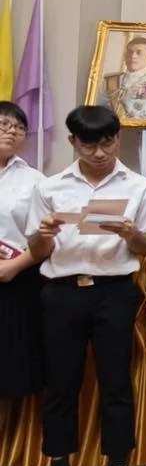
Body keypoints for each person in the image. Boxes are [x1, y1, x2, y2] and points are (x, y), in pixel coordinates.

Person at [25, 106, 146, 466]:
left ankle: (115, 465)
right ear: (73, 142)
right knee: (61, 381)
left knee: (115, 379)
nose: (99, 153)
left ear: (118, 139)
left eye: (107, 142)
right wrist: (44, 234)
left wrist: (131, 233)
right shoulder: (50, 188)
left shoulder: (141, 187)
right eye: (89, 144)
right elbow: (36, 250)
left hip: (114, 289)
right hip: (61, 290)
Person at [0, 104, 46, 436]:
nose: (11, 131)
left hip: (14, 280)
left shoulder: (35, 180)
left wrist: (15, 266)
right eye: (3, 124)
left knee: (5, 373)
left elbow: (45, 238)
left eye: (18, 127)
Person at [103, 35, 146, 121]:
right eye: (130, 52)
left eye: (139, 52)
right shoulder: (109, 81)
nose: (133, 56)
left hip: (139, 132)